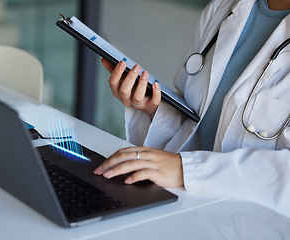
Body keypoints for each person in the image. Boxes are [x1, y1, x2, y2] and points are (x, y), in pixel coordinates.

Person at [94, 0, 290, 218]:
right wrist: (154, 109)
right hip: (191, 210)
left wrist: (187, 170)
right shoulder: (222, 8)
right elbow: (197, 122)